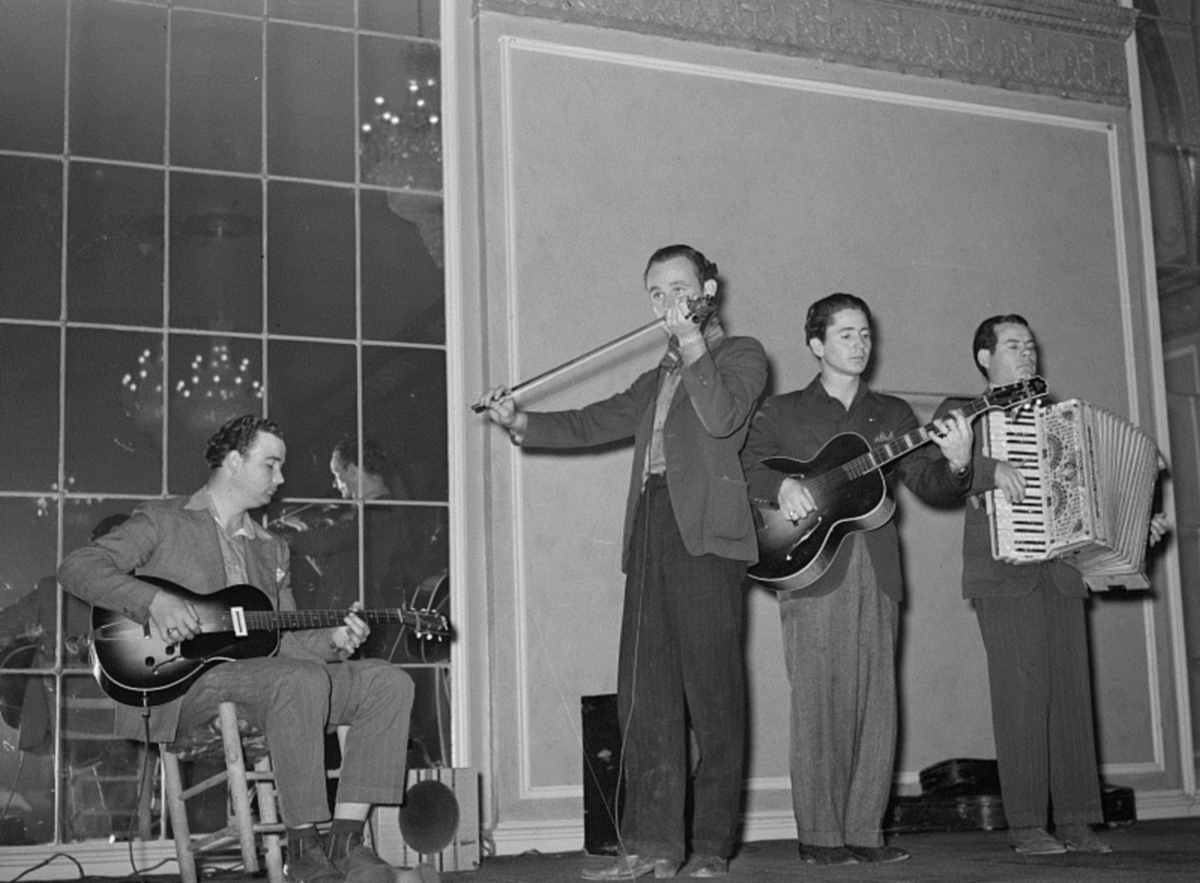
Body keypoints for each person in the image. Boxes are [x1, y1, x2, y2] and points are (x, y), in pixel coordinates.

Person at [478, 244, 767, 880]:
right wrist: (521, 420)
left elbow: (721, 418)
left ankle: (711, 848)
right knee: (646, 695)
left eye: (677, 289)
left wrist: (693, 345)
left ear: (708, 290)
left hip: (709, 539)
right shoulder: (658, 376)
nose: (666, 304)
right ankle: (653, 846)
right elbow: (598, 419)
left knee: (713, 698)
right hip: (652, 527)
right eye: (656, 295)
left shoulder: (740, 357)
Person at [58, 415, 416, 883]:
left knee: (388, 682)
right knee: (299, 680)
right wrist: (155, 601)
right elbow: (77, 567)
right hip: (185, 690)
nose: (281, 478)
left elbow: (283, 639)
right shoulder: (165, 521)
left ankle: (345, 841)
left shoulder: (272, 549)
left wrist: (334, 640)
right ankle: (304, 847)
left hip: (270, 683)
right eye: (271, 464)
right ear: (232, 462)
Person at [740, 293, 973, 866]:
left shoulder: (892, 414)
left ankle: (866, 832)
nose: (861, 343)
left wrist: (960, 462)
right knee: (818, 701)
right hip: (811, 569)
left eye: (866, 333)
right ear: (817, 345)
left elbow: (928, 482)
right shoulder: (782, 411)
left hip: (878, 564)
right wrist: (781, 488)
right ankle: (820, 835)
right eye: (847, 334)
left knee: (877, 702)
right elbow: (744, 464)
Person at [931, 314, 1169, 856]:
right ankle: (1026, 824)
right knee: (1021, 697)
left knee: (1069, 698)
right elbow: (938, 473)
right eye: (1014, 345)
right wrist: (989, 471)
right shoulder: (963, 414)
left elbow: (1093, 503)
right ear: (984, 358)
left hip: (1062, 574)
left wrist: (1138, 528)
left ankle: (1079, 818)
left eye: (1032, 345)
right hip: (1003, 575)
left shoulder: (1064, 422)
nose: (1028, 352)